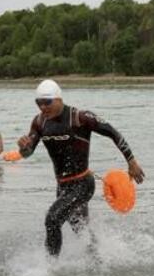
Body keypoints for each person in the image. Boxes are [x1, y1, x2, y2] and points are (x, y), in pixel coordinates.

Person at [17, 79, 145, 256]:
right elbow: (27, 152)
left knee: (52, 220)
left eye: (47, 102)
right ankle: (97, 258)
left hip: (83, 184)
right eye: (38, 102)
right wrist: (24, 148)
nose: (43, 107)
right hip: (62, 186)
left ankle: (49, 268)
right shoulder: (39, 123)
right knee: (80, 229)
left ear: (59, 99)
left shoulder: (79, 118)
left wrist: (131, 160)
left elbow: (113, 132)